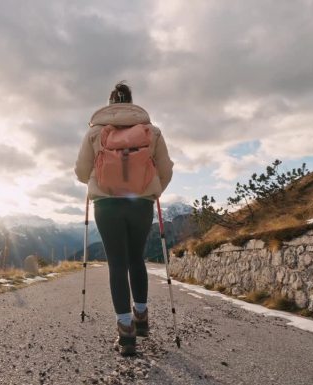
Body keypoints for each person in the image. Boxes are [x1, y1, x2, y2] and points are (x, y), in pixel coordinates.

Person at [74, 82, 174, 356]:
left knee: (116, 264)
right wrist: (151, 190)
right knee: (136, 259)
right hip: (140, 204)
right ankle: (141, 317)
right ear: (132, 103)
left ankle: (126, 331)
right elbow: (165, 169)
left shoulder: (94, 132)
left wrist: (98, 178)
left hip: (106, 203)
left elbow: (82, 171)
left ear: (109, 104)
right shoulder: (151, 132)